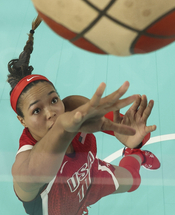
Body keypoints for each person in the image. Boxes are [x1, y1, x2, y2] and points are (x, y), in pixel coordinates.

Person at [9, 16, 160, 215]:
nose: (51, 112)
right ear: (22, 120)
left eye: (54, 100)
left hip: (91, 177)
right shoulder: (26, 165)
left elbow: (134, 132)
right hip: (64, 205)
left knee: (134, 180)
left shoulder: (73, 107)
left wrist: (134, 141)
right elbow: (34, 172)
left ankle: (135, 156)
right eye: (36, 110)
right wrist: (63, 127)